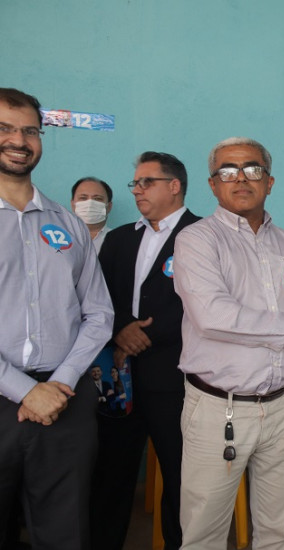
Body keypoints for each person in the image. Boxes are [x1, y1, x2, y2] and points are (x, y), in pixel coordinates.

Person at [173, 137, 284, 549]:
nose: (241, 178)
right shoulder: (197, 240)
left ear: (270, 181)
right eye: (228, 171)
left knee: (281, 531)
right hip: (218, 409)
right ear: (213, 184)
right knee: (204, 534)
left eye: (252, 169)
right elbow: (214, 316)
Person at [0, 87, 113, 549]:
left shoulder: (67, 225)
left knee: (64, 532)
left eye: (30, 131)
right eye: (5, 128)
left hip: (65, 402)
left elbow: (99, 313)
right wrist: (26, 390)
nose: (18, 140)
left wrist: (60, 383)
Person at [90, 151, 200, 549]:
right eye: (135, 183)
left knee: (180, 477)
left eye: (146, 182)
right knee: (110, 475)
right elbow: (96, 296)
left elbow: (206, 305)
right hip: (119, 377)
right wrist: (121, 329)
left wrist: (144, 336)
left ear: (174, 186)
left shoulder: (202, 235)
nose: (137, 190)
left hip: (174, 379)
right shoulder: (119, 239)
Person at [71, 176, 113, 252]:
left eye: (98, 198)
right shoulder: (60, 238)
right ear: (73, 205)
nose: (90, 204)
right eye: (83, 198)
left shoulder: (119, 240)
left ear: (109, 206)